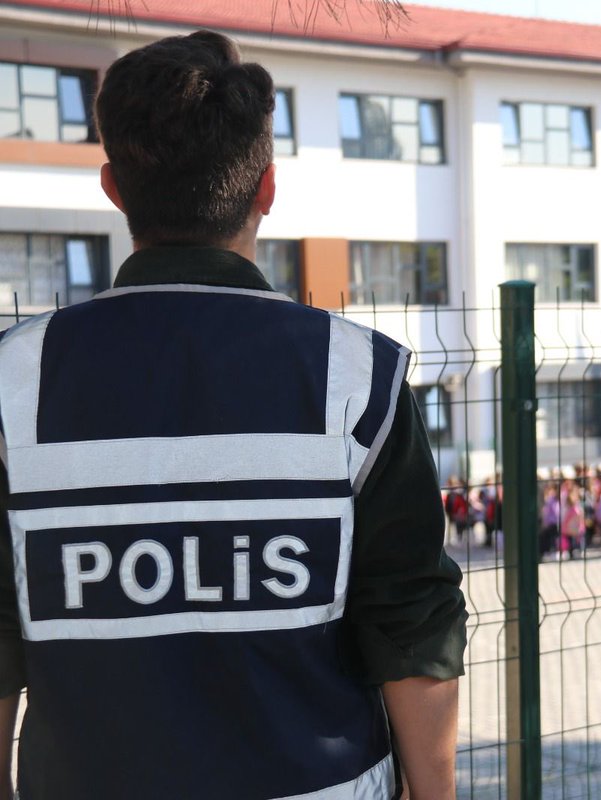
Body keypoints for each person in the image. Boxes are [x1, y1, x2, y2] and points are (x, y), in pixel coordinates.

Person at [0, 32, 467, 799]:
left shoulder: (14, 382)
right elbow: (413, 625)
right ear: (267, 188)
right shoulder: (358, 379)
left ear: (112, 187)